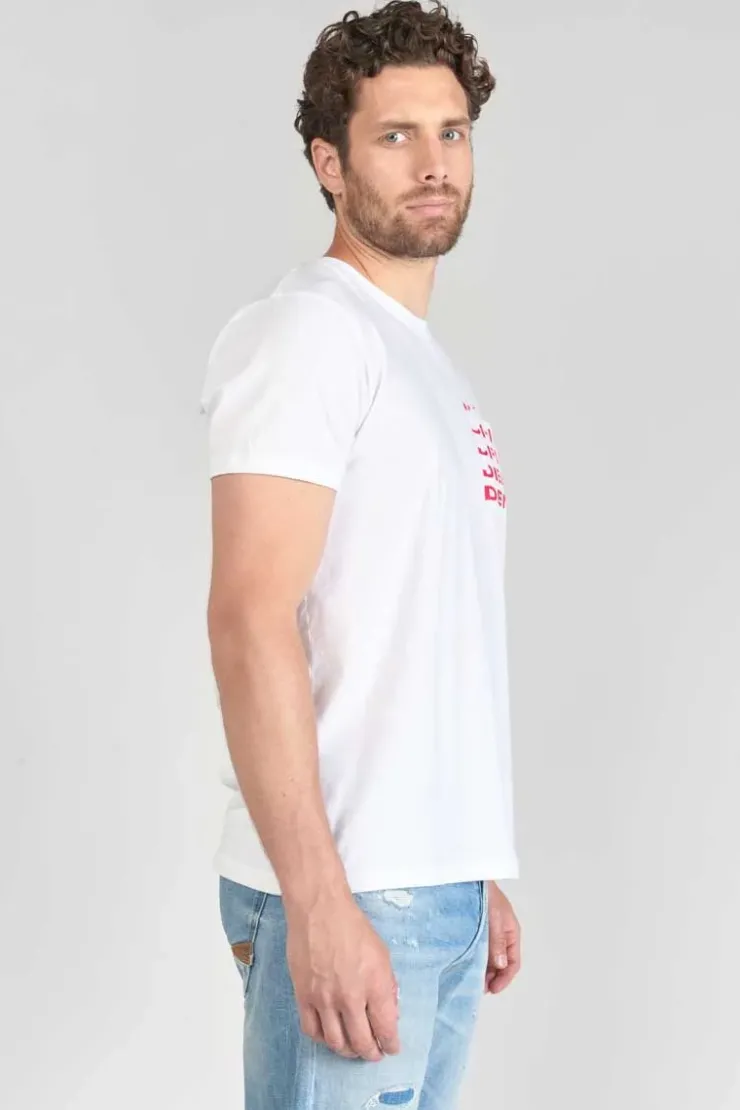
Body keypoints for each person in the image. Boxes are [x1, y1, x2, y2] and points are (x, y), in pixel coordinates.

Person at [199, 2, 522, 1106]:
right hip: (349, 891)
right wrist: (317, 901)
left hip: (430, 889)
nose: (434, 163)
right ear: (328, 164)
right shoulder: (310, 334)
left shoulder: (421, 361)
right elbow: (248, 620)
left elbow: (421, 634)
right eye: (395, 136)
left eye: (451, 131)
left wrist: (468, 862)